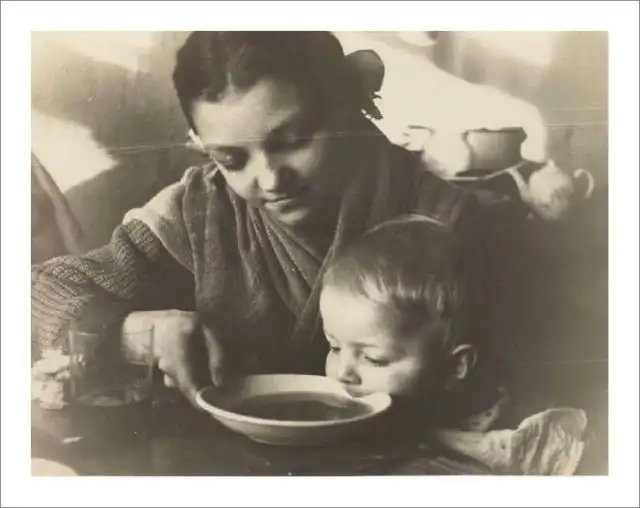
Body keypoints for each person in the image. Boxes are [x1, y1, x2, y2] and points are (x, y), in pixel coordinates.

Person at [31, 31, 489, 407]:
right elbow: (39, 295)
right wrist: (131, 334)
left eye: (293, 141)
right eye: (232, 160)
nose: (270, 180)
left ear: (344, 108)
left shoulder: (446, 219)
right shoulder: (198, 211)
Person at [319, 215, 588, 475]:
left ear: (455, 366)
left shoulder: (510, 440)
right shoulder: (370, 411)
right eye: (334, 347)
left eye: (373, 358)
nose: (343, 373)